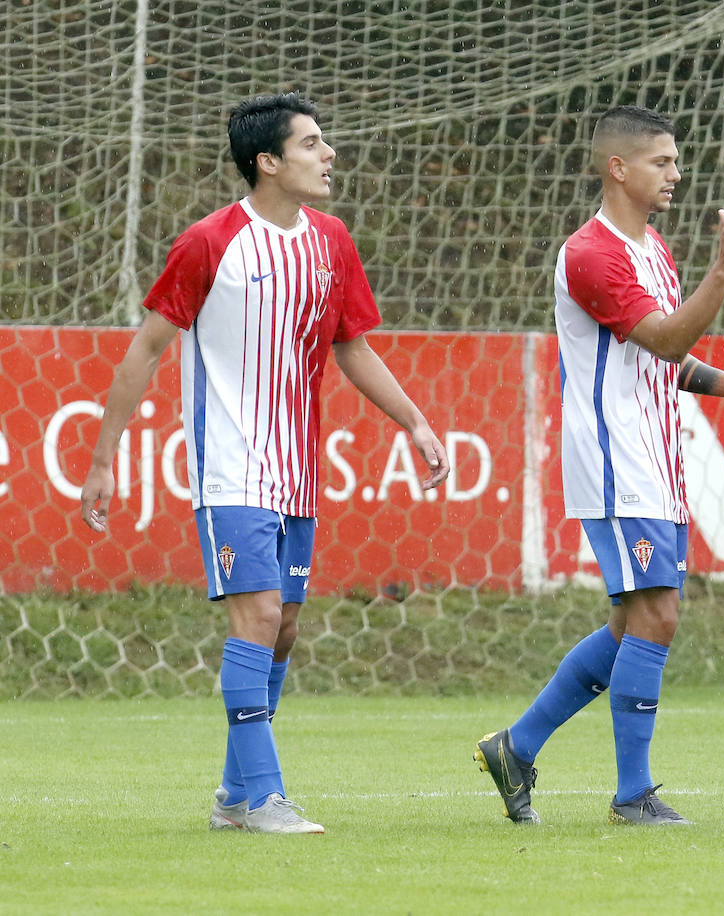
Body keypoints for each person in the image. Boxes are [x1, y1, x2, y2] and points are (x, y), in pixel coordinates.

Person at [79, 92, 450, 834]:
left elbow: (353, 346)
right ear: (268, 161)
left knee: (283, 631)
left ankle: (232, 798)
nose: (329, 154)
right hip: (230, 466)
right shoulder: (209, 242)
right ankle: (269, 798)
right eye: (312, 144)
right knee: (259, 615)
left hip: (298, 471)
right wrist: (102, 459)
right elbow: (145, 350)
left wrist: (413, 419)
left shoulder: (332, 242)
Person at [474, 105, 724, 827]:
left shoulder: (655, 250)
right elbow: (670, 335)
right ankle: (632, 794)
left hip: (655, 459)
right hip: (617, 460)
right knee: (657, 613)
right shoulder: (593, 253)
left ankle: (516, 748)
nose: (676, 173)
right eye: (662, 161)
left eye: (676, 161)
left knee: (630, 624)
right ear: (618, 168)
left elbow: (663, 357)